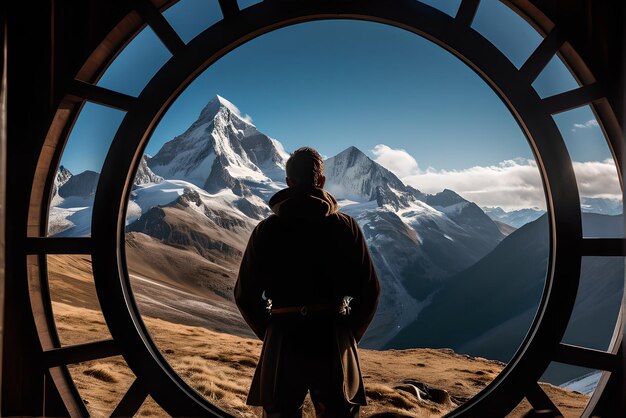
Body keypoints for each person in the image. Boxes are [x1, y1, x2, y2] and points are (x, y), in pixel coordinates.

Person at [234, 146, 380, 418]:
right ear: (321, 181)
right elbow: (370, 291)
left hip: (283, 340)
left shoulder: (266, 230)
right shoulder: (345, 227)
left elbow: (244, 295)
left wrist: (271, 331)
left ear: (288, 182)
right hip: (332, 337)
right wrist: (347, 334)